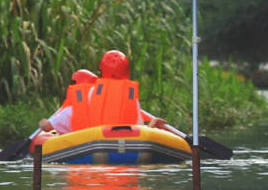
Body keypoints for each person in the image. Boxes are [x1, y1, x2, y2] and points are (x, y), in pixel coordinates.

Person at [37, 52, 170, 135]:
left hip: (94, 143)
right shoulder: (131, 97)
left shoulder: (91, 93)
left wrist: (43, 122)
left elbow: (47, 127)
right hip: (127, 145)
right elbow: (140, 131)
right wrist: (152, 124)